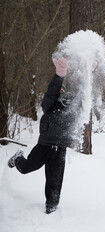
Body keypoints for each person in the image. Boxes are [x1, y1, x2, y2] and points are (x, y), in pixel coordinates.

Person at [7, 57, 76, 214]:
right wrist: (59, 75)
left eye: (64, 91)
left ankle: (51, 207)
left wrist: (88, 74)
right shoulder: (49, 105)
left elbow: (83, 96)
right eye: (60, 90)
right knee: (26, 168)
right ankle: (18, 158)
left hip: (61, 148)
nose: (62, 92)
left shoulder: (71, 109)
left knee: (55, 180)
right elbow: (52, 91)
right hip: (45, 145)